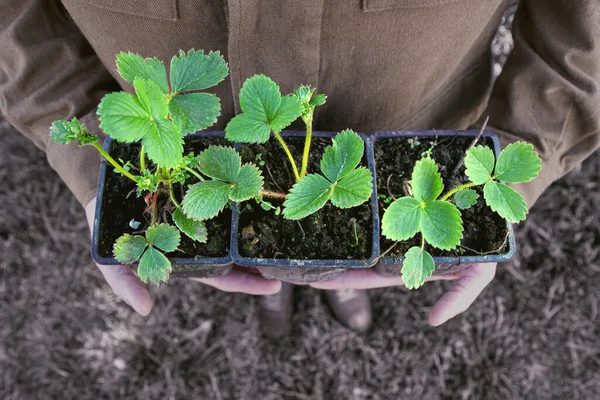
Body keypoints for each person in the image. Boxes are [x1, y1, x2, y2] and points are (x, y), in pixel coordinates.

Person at [2, 0, 598, 339]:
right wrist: (91, 156)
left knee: (342, 231)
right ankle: (278, 289)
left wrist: (522, 155)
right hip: (187, 154)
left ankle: (307, 288)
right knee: (260, 238)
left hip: (420, 129)